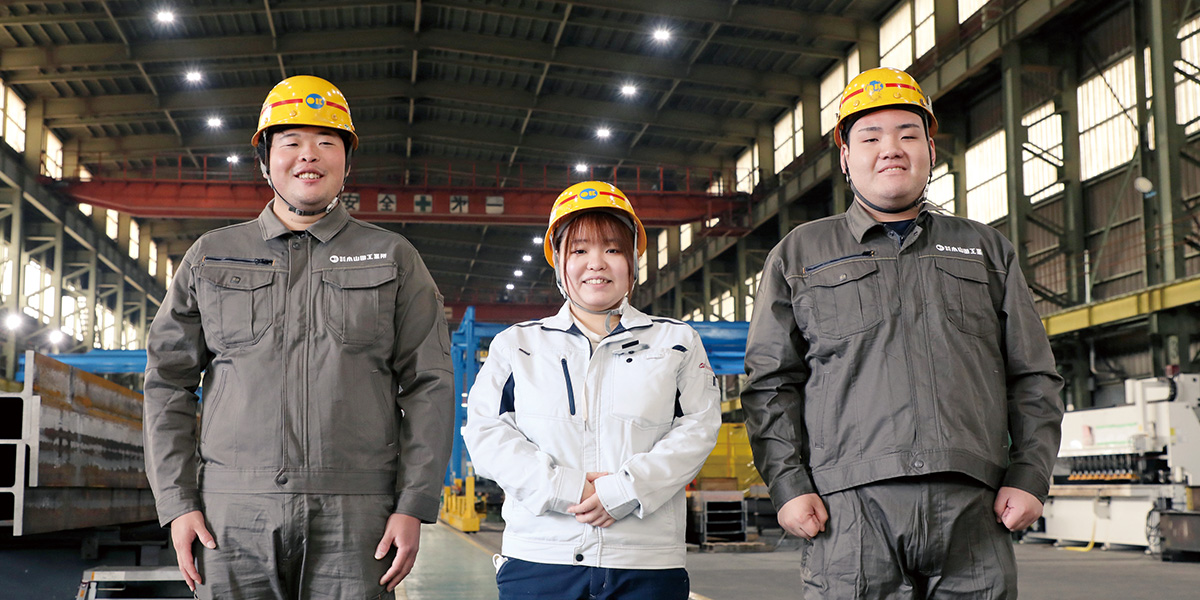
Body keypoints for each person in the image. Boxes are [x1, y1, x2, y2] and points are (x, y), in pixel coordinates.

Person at [742, 67, 1065, 598]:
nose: (890, 148)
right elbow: (771, 383)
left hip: (974, 509)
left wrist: (1030, 475)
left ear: (930, 151)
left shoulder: (985, 250)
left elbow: (1033, 375)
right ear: (846, 157)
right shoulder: (801, 254)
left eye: (908, 134)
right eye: (870, 137)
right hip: (848, 512)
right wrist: (787, 484)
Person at [143, 75, 454, 599]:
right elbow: (168, 382)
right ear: (266, 161)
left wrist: (412, 504)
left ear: (346, 162)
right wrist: (178, 502)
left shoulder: (392, 258)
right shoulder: (211, 256)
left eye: (326, 142)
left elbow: (429, 385)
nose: (308, 156)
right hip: (230, 515)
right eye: (291, 143)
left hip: (358, 516)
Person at [463, 181, 722, 600]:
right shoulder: (518, 345)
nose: (596, 264)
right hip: (541, 561)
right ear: (559, 263)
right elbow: (485, 434)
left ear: (633, 261)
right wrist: (569, 489)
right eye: (579, 250)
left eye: (613, 249)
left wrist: (623, 490)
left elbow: (699, 428)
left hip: (644, 563)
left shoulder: (674, 341)